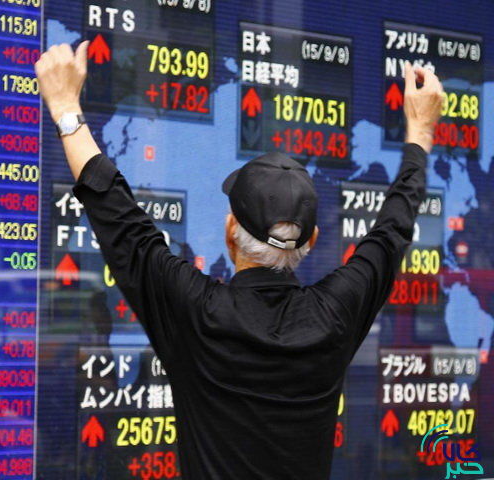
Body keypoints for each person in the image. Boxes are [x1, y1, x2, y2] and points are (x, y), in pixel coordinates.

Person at [35, 41, 444, 479]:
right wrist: (420, 131)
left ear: (231, 230)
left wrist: (65, 105)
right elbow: (392, 231)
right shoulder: (334, 315)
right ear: (312, 240)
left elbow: (118, 215)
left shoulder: (197, 313)